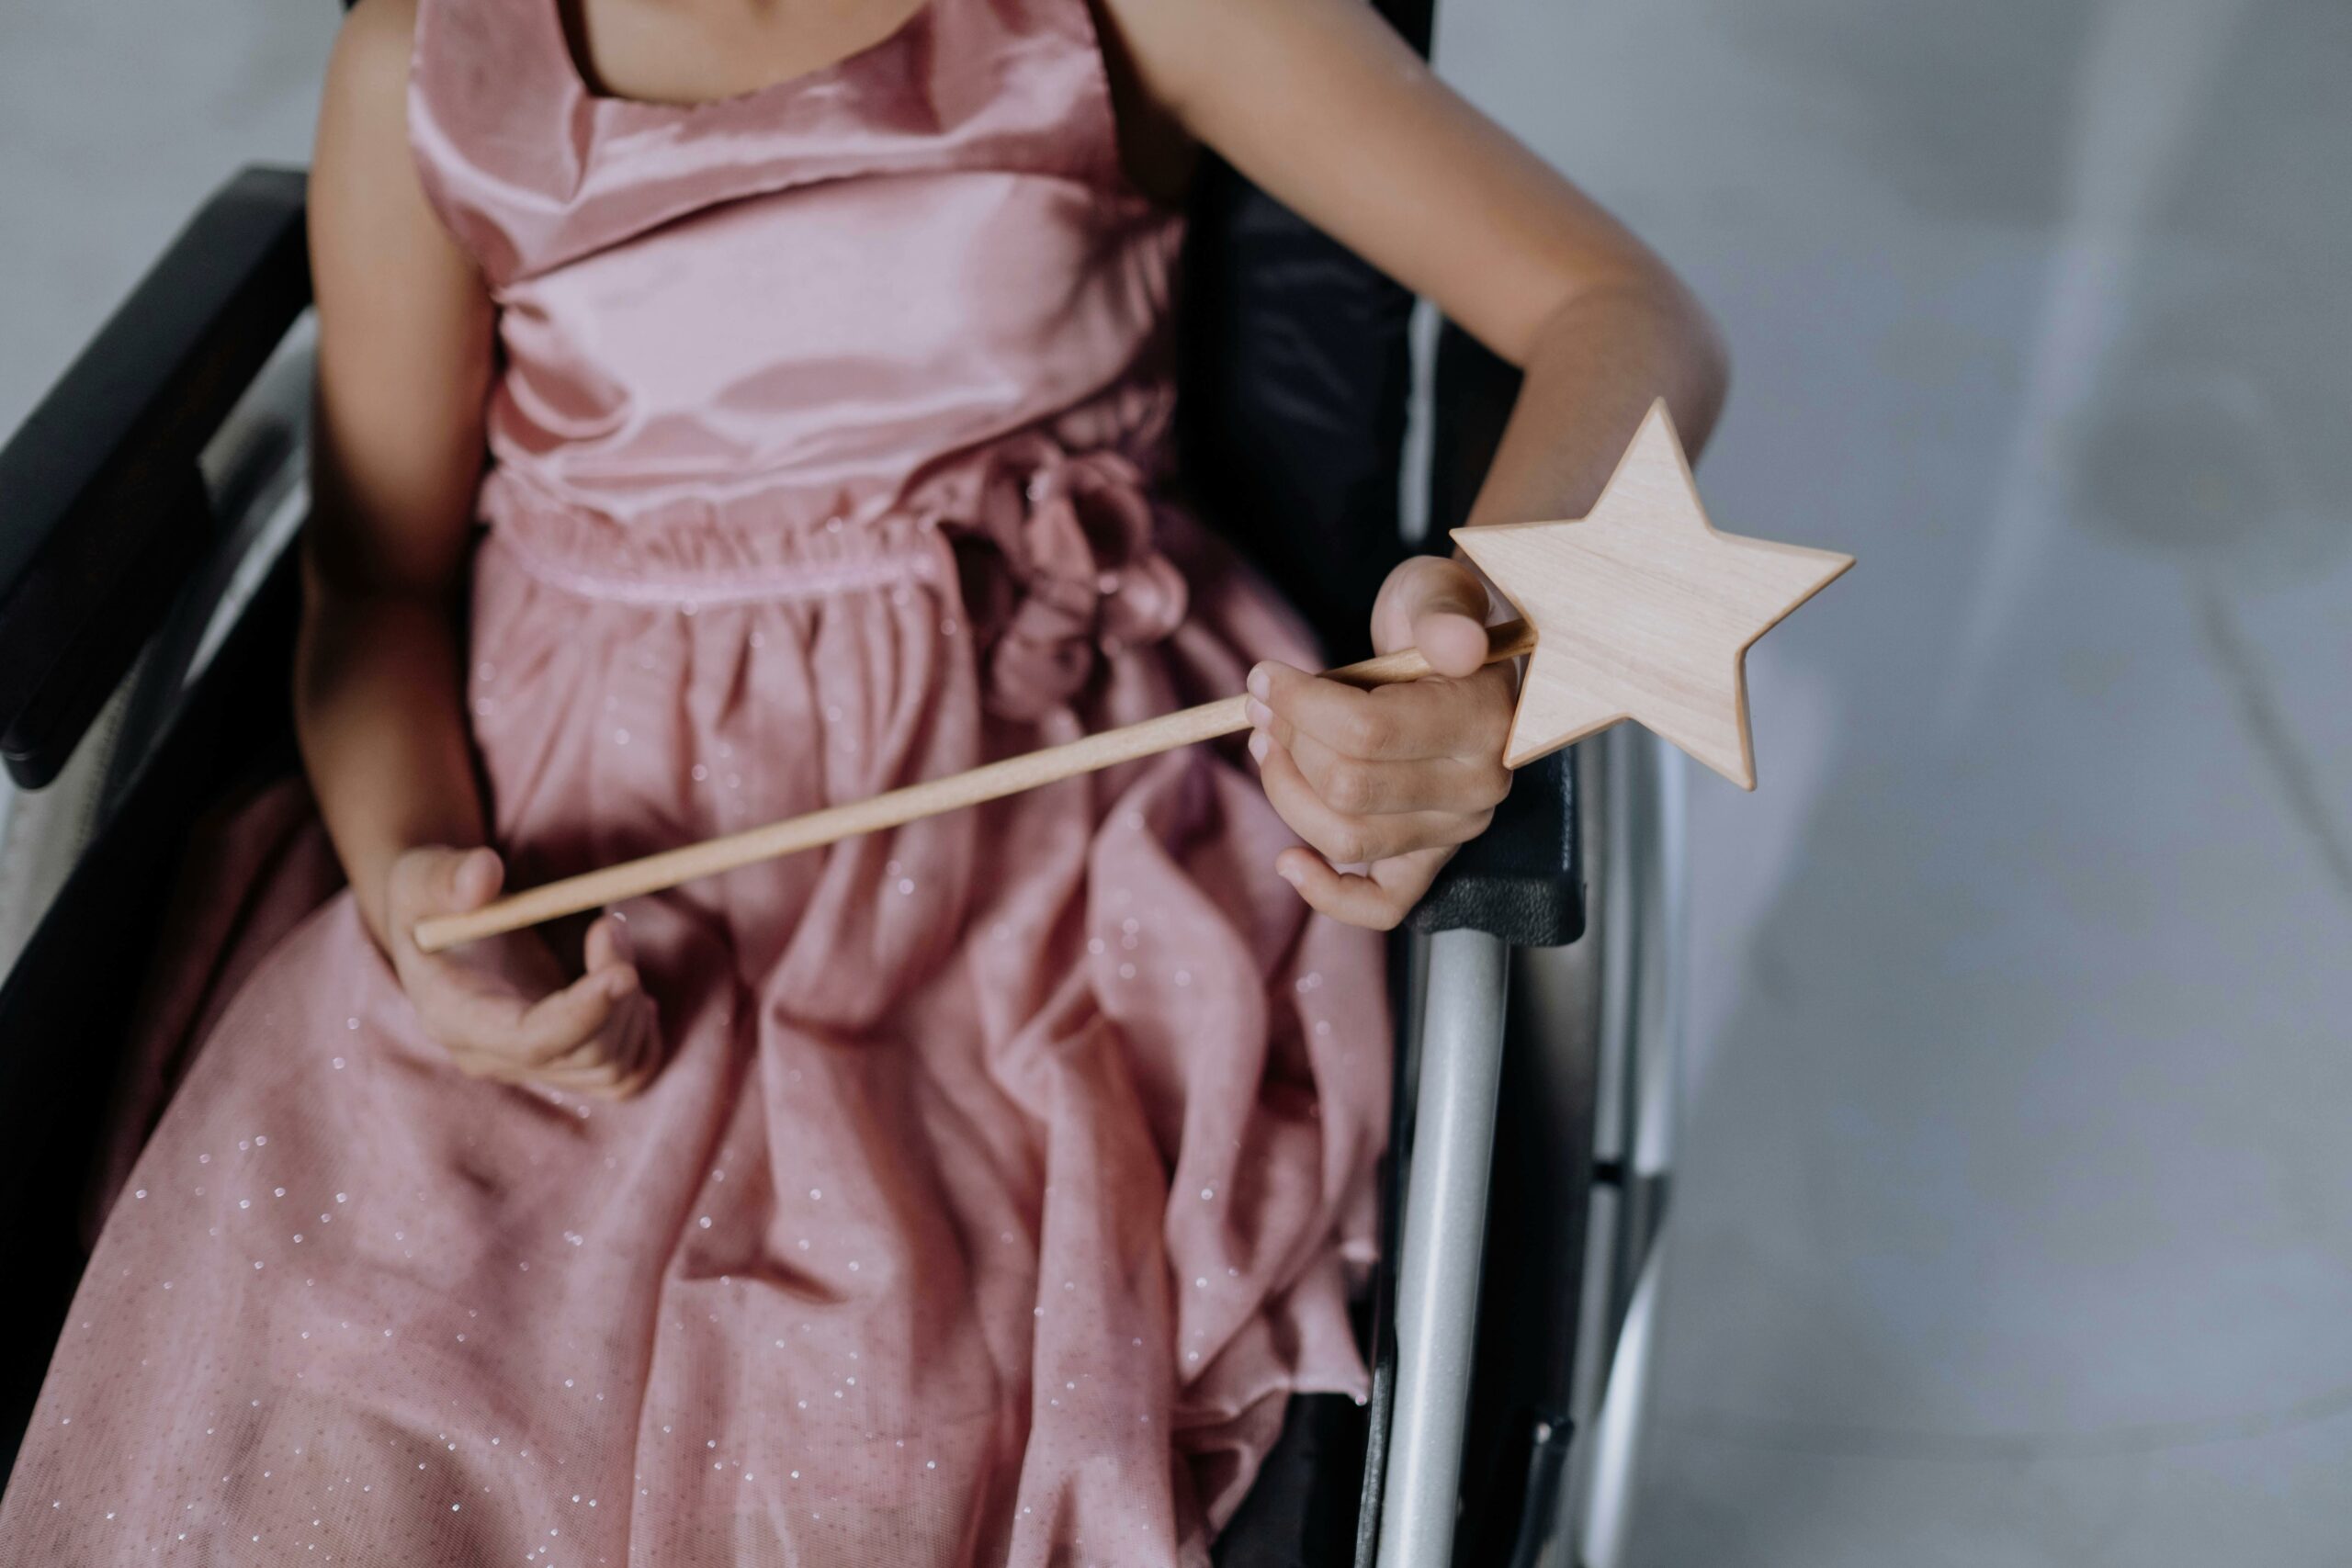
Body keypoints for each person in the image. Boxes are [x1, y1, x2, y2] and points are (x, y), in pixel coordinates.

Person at [0, 0, 1724, 1558]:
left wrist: (1499, 640)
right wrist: (416, 886)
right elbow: (378, 587)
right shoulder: (432, 66)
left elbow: (1623, 312)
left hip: (1035, 856)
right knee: (350, 1426)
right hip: (570, 845)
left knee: (875, 1444)